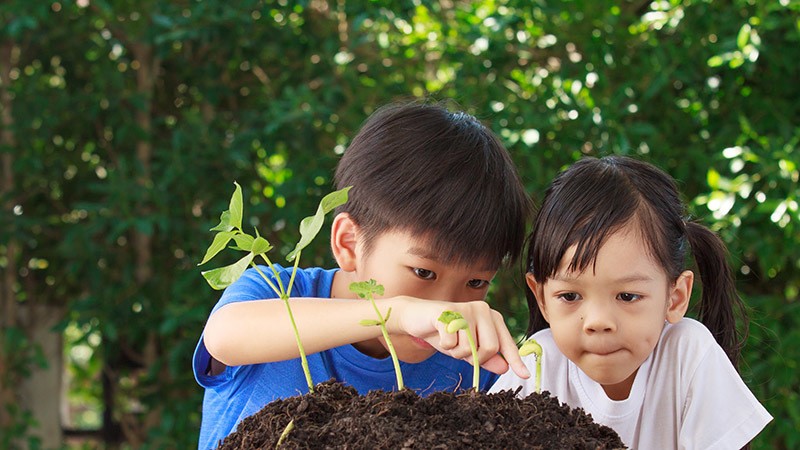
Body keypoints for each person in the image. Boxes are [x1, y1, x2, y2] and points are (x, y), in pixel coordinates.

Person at [193, 101, 533, 449]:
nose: (445, 307)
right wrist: (399, 313)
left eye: (476, 282)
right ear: (349, 243)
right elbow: (223, 337)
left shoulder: (471, 365)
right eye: (423, 272)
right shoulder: (276, 293)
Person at [490, 155, 772, 449]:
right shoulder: (538, 363)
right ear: (542, 298)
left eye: (627, 296)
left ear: (675, 297)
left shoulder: (687, 355)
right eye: (570, 296)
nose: (598, 322)